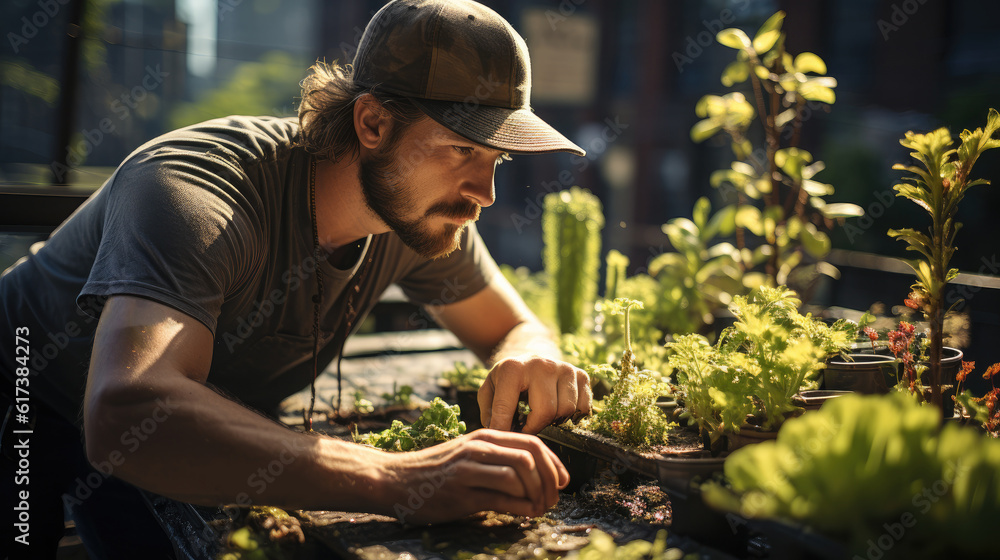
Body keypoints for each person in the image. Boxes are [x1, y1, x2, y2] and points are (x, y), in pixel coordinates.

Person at [0, 0, 593, 557]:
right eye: (463, 150)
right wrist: (400, 477)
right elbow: (126, 409)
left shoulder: (417, 217)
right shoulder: (199, 193)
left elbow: (514, 326)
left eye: (497, 159)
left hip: (174, 432)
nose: (483, 195)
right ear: (373, 123)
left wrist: (529, 358)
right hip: (23, 393)